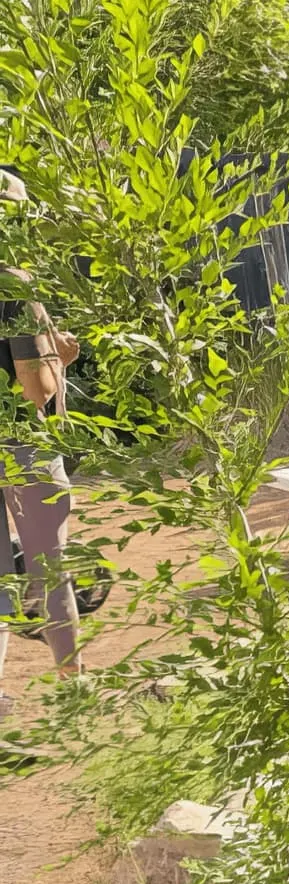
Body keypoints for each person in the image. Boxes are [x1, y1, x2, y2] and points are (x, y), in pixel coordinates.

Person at [0, 167, 81, 719]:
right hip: (20, 442)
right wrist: (61, 358)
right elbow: (36, 388)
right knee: (50, 565)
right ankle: (75, 689)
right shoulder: (13, 283)